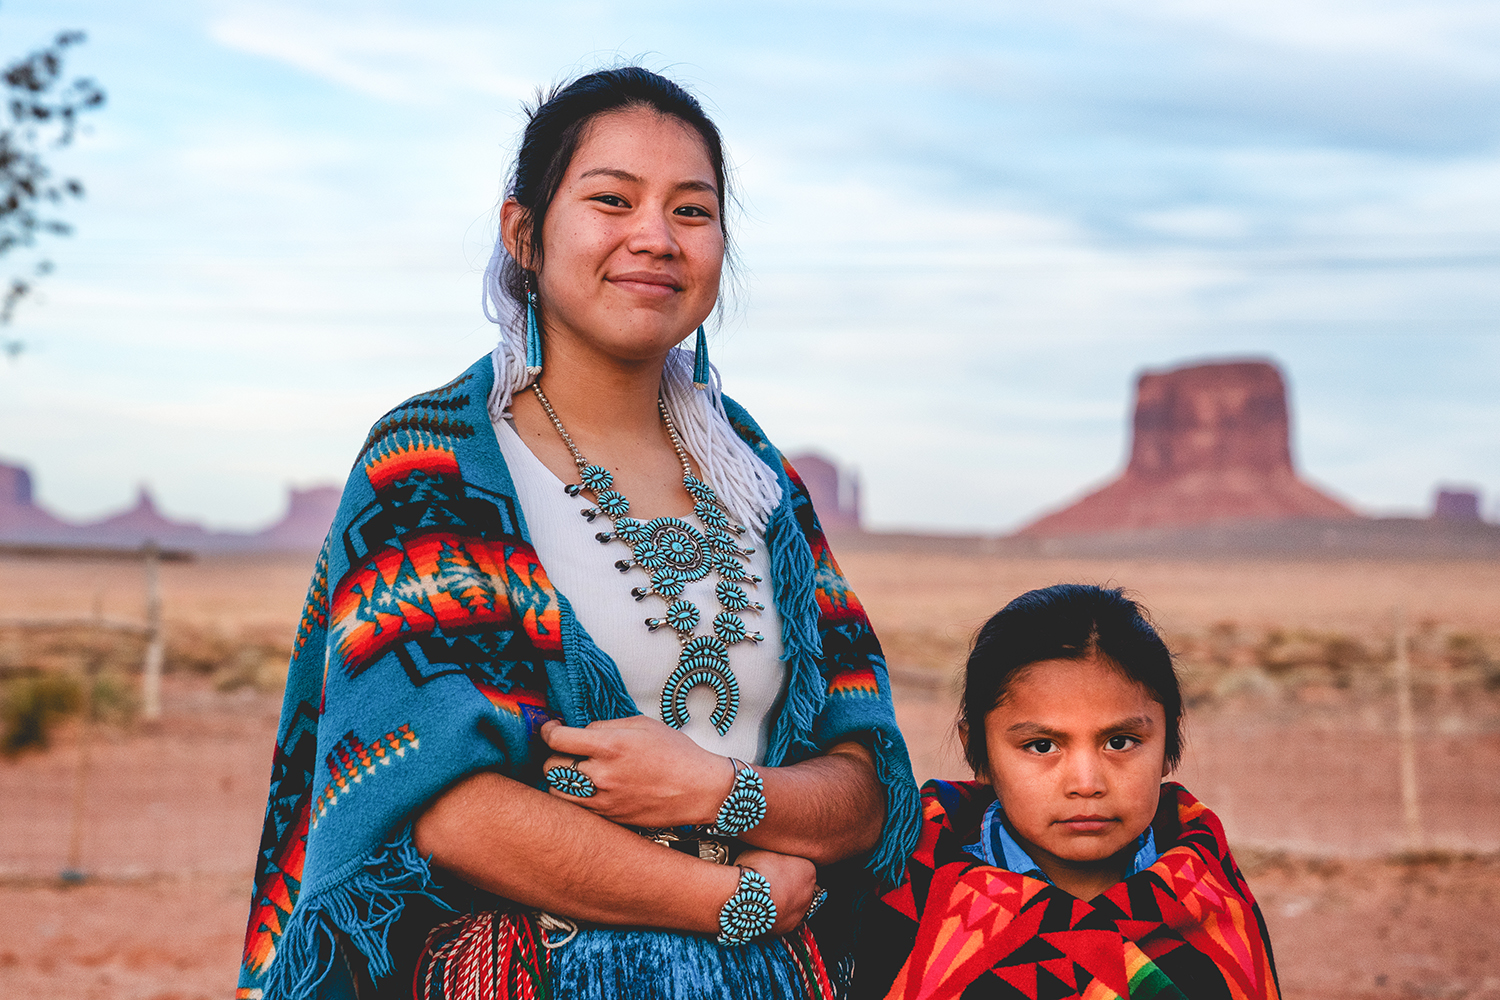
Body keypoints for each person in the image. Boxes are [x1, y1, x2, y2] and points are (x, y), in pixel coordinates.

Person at [236, 67, 919, 1000]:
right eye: (611, 200)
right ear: (524, 233)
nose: (655, 238)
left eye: (692, 210)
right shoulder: (435, 466)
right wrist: (727, 901)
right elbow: (436, 803)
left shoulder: (759, 478)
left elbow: (866, 786)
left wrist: (722, 793)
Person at [851, 585, 1280, 1000]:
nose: (1086, 783)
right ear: (977, 752)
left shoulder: (1212, 907)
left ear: (1170, 745)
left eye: (1120, 742)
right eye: (1042, 746)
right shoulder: (911, 899)